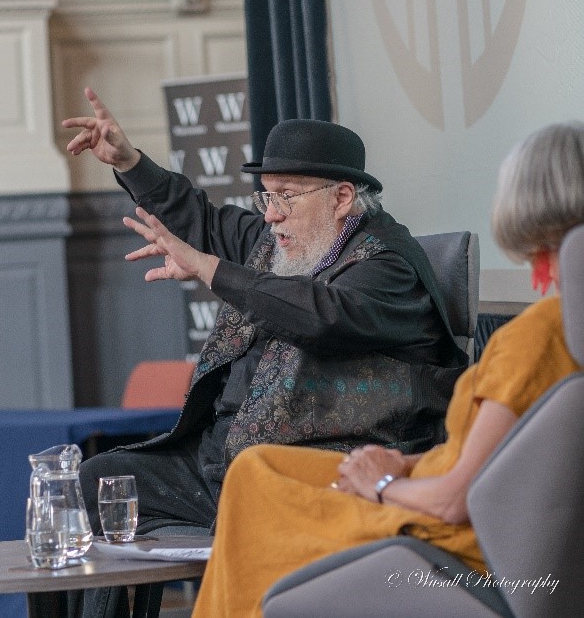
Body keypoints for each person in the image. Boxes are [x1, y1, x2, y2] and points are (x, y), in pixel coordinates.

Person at [62, 87, 466, 616]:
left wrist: (208, 269)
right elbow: (201, 220)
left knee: (246, 485)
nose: (271, 216)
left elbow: (321, 313)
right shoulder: (283, 240)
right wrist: (131, 162)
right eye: (266, 197)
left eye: (286, 197)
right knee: (98, 483)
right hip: (219, 461)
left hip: (314, 470)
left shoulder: (389, 266)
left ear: (342, 198)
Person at [189, 120, 584, 618]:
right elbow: (499, 467)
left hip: (442, 536)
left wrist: (382, 486)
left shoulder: (537, 336)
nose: (273, 216)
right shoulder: (563, 333)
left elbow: (456, 501)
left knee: (254, 488)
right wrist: (405, 465)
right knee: (259, 466)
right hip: (434, 489)